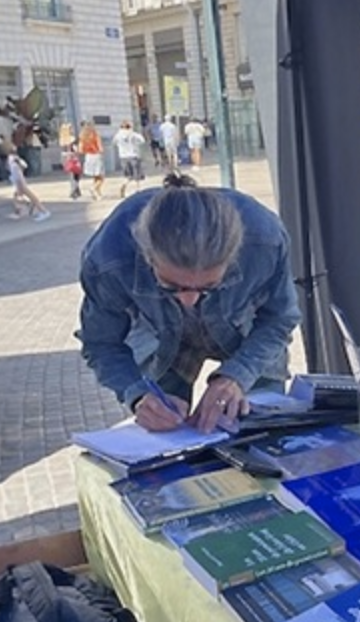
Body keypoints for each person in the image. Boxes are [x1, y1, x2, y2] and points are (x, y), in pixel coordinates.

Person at [78, 173, 301, 434]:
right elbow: (101, 343)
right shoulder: (108, 259)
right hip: (160, 341)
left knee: (259, 435)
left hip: (247, 334)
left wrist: (238, 375)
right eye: (171, 287)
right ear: (147, 256)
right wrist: (137, 395)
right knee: (165, 435)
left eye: (208, 287)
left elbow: (279, 318)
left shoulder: (265, 241)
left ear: (234, 258)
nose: (188, 301)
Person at [5, 143, 51, 221]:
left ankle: (43, 211)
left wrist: (19, 182)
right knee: (16, 196)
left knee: (31, 197)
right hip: (18, 180)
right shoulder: (13, 158)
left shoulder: (13, 159)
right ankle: (19, 211)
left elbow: (19, 169)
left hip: (19, 180)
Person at [112, 120, 146, 199]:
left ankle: (124, 185)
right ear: (129, 126)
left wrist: (119, 146)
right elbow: (142, 140)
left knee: (128, 175)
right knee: (137, 174)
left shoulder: (118, 135)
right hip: (133, 155)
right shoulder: (133, 134)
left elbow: (114, 143)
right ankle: (138, 189)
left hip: (123, 156)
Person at [79, 122, 105, 200]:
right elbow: (100, 148)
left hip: (88, 156)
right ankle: (93, 188)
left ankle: (98, 194)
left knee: (95, 176)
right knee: (101, 177)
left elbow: (80, 150)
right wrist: (102, 152)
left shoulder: (82, 136)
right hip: (96, 155)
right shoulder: (95, 135)